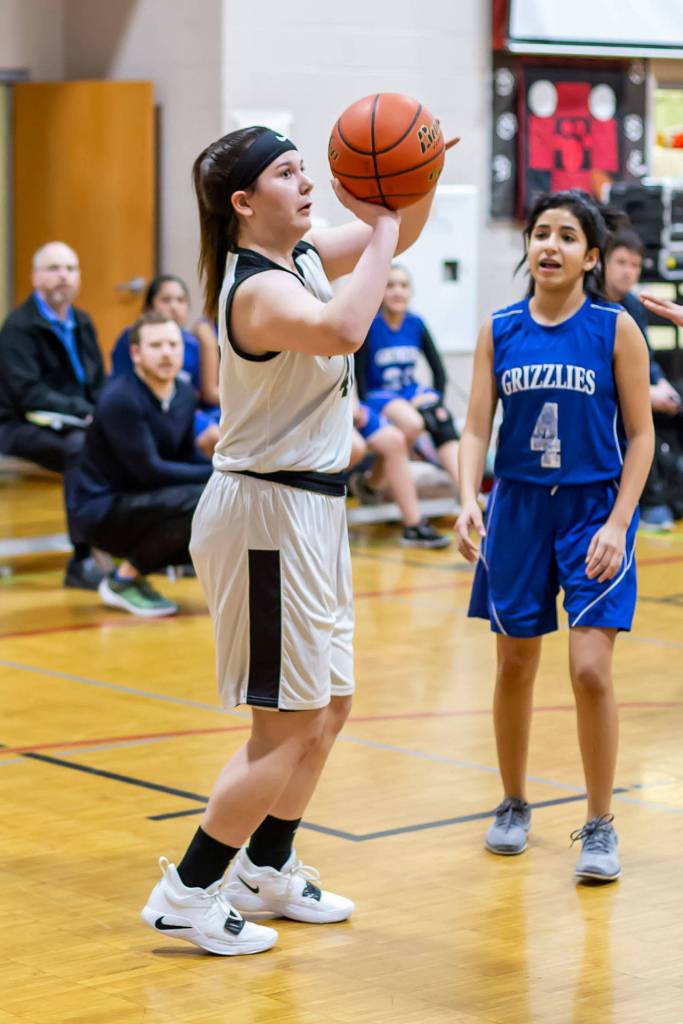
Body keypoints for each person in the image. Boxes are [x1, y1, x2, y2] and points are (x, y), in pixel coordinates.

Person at [141, 125, 451, 956]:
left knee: (330, 706)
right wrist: (383, 219)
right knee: (283, 725)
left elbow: (397, 235)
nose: (307, 183)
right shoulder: (255, 292)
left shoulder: (303, 252)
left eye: (304, 168)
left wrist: (415, 172)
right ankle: (189, 890)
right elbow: (348, 328)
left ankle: (265, 866)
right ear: (244, 203)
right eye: (287, 172)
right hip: (264, 521)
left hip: (313, 515)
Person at [456, 190, 653, 883]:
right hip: (514, 508)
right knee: (513, 665)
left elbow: (641, 434)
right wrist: (463, 501)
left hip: (591, 510)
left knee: (589, 670)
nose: (548, 245)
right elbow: (476, 426)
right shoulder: (499, 328)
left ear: (590, 256)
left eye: (566, 236)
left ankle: (599, 824)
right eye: (540, 232)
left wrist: (618, 522)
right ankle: (512, 802)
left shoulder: (612, 327)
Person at [67, 311, 212, 617]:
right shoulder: (121, 399)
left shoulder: (185, 394)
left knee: (222, 497)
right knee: (202, 498)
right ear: (136, 353)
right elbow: (150, 471)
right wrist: (219, 473)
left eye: (173, 344)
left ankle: (137, 575)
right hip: (101, 510)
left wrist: (224, 475)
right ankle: (123, 580)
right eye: (156, 345)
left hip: (142, 501)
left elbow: (186, 453)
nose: (166, 353)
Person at [0, 241, 106, 589]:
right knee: (79, 447)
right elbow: (28, 393)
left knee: (121, 436)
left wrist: (105, 412)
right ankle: (82, 558)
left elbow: (97, 382)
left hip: (75, 420)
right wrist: (87, 413)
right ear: (34, 277)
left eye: (70, 269)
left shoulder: (83, 322)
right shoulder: (19, 326)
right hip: (19, 424)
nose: (63, 276)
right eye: (54, 268)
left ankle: (130, 545)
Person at [354, 264, 460, 488]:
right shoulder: (370, 324)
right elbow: (358, 372)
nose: (397, 291)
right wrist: (362, 407)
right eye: (390, 285)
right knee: (413, 423)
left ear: (410, 291)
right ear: (380, 292)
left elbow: (438, 370)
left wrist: (438, 402)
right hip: (378, 393)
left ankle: (469, 491)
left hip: (407, 390)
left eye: (403, 285)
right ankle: (374, 483)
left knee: (441, 418)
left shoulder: (416, 323)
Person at [604, 229, 683, 529]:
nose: (628, 272)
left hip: (642, 387)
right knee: (638, 415)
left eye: (635, 265)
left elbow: (646, 359)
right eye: (621, 263)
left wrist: (661, 386)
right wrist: (647, 395)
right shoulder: (589, 302)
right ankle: (651, 502)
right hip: (609, 396)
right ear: (603, 262)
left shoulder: (634, 304)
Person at [111, 275, 220, 457]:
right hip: (144, 410)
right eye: (166, 300)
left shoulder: (192, 344)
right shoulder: (131, 337)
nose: (174, 306)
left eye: (180, 300)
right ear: (149, 305)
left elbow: (198, 393)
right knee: (211, 437)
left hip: (183, 409)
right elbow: (121, 383)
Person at [348, 401, 450, 548]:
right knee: (355, 446)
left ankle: (414, 526)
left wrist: (355, 404)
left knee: (395, 440)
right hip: (325, 407)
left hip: (350, 403)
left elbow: (349, 379)